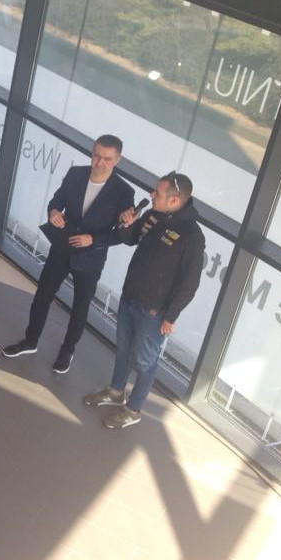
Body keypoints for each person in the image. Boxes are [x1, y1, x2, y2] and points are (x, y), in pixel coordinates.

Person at [2, 135, 135, 373]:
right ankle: (30, 342)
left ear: (117, 160)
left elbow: (122, 235)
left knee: (80, 308)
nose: (99, 163)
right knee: (42, 296)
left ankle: (67, 352)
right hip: (62, 248)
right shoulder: (76, 174)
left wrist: (93, 240)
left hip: (90, 258)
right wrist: (54, 212)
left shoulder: (124, 191)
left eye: (106, 159)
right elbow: (57, 200)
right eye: (96, 156)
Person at [84, 172, 204, 429]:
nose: (151, 195)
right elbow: (130, 239)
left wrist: (171, 316)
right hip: (130, 297)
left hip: (154, 312)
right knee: (124, 350)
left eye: (157, 193)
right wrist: (127, 224)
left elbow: (190, 283)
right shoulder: (153, 214)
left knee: (146, 361)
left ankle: (133, 409)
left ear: (174, 200)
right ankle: (116, 392)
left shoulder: (192, 236)